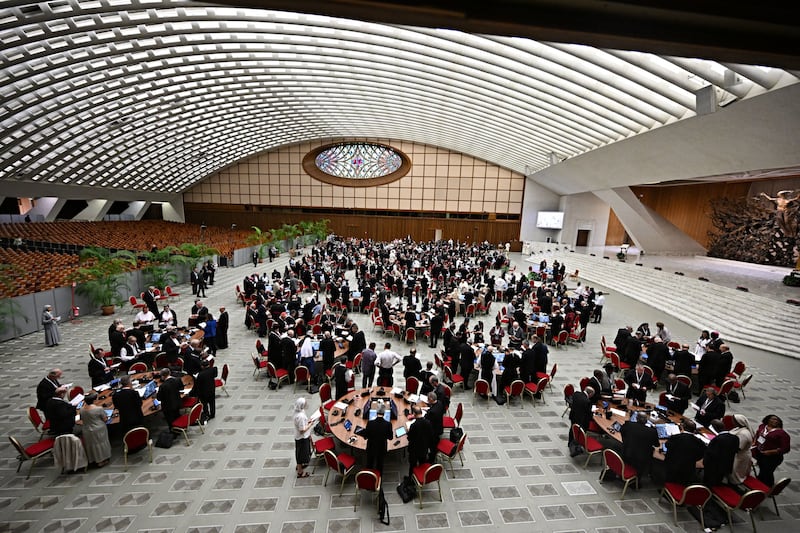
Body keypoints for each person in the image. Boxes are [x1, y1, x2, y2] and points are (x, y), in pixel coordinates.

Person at [662, 419, 706, 484]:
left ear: (682, 427)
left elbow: (667, 445)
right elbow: (702, 454)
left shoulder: (676, 437)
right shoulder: (699, 442)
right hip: (688, 468)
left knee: (671, 481)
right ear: (694, 430)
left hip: (673, 466)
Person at [753, 414, 791, 486]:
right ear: (768, 420)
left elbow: (786, 448)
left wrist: (771, 452)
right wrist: (754, 442)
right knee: (762, 469)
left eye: (777, 420)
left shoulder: (782, 434)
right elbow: (757, 434)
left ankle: (768, 487)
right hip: (760, 454)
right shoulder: (762, 426)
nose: (775, 421)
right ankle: (760, 483)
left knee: (767, 472)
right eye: (773, 419)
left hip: (772, 458)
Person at [620, 414, 660, 480]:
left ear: (636, 418)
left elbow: (621, 431)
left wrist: (625, 440)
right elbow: (656, 445)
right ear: (646, 421)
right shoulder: (652, 431)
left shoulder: (629, 424)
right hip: (641, 458)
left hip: (627, 452)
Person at [703, 420, 740, 486]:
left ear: (715, 428)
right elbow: (736, 451)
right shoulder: (735, 438)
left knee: (709, 482)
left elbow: (710, 454)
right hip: (726, 465)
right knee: (718, 480)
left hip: (714, 467)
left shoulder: (717, 439)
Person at [80, 392, 112, 466]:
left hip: (87, 429)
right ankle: (102, 460)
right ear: (94, 401)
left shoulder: (82, 409)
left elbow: (82, 418)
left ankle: (94, 459)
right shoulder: (98, 409)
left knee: (92, 445)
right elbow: (105, 419)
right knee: (101, 444)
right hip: (98, 429)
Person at [363, 403, 393, 474]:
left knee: (369, 463)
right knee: (380, 464)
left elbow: (365, 437)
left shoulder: (370, 423)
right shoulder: (388, 424)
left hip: (371, 447)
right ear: (384, 413)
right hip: (381, 448)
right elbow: (390, 437)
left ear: (376, 413)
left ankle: (369, 477)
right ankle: (378, 478)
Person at [406, 406, 434, 476]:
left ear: (414, 414)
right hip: (424, 448)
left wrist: (408, 432)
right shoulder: (428, 423)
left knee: (412, 465)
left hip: (414, 450)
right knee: (422, 463)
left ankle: (411, 478)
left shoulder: (413, 426)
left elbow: (409, 438)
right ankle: (422, 476)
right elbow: (431, 435)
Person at [728, 414, 754, 484]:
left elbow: (738, 448)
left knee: (736, 472)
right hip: (738, 454)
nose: (732, 422)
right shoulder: (738, 428)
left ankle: (735, 484)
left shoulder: (743, 434)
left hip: (740, 456)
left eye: (733, 420)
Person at [293, 397, 314, 478]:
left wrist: (307, 422)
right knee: (301, 454)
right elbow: (302, 430)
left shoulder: (297, 411)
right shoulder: (300, 416)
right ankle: (300, 472)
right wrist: (310, 425)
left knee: (299, 453)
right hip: (302, 437)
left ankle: (299, 466)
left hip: (298, 436)